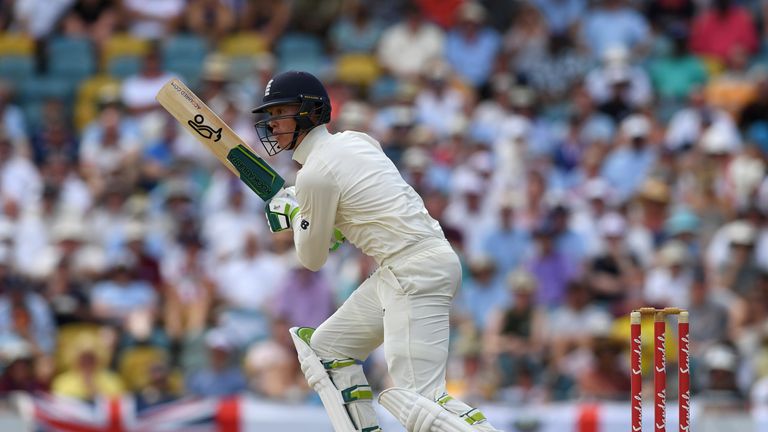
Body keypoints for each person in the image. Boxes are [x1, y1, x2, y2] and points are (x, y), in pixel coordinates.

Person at [253, 70, 500, 431]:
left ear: (309, 111)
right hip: (409, 265)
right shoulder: (358, 140)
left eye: (280, 113)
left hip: (411, 271)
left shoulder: (313, 175)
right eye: (270, 116)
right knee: (326, 350)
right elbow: (358, 209)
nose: (273, 125)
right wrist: (309, 214)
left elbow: (312, 258)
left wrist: (295, 213)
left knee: (419, 402)